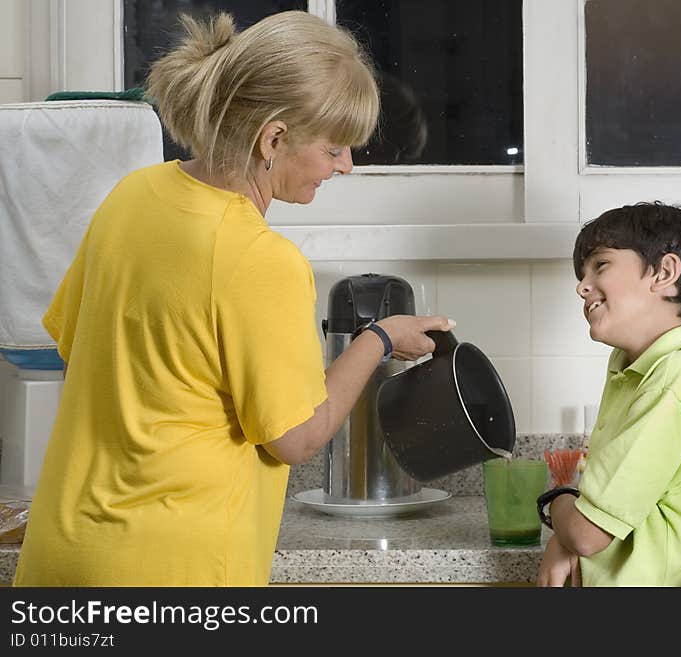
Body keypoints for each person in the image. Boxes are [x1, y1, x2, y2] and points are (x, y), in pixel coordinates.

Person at [14, 11, 453, 587]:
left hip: (62, 552)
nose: (346, 165)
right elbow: (296, 438)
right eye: (334, 148)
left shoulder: (132, 195)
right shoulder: (261, 259)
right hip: (173, 573)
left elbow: (79, 355)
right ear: (273, 138)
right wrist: (380, 338)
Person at [536, 201, 681, 587]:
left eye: (600, 265)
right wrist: (567, 534)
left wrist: (557, 501)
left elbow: (586, 533)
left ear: (665, 272)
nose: (581, 286)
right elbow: (593, 522)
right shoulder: (640, 368)